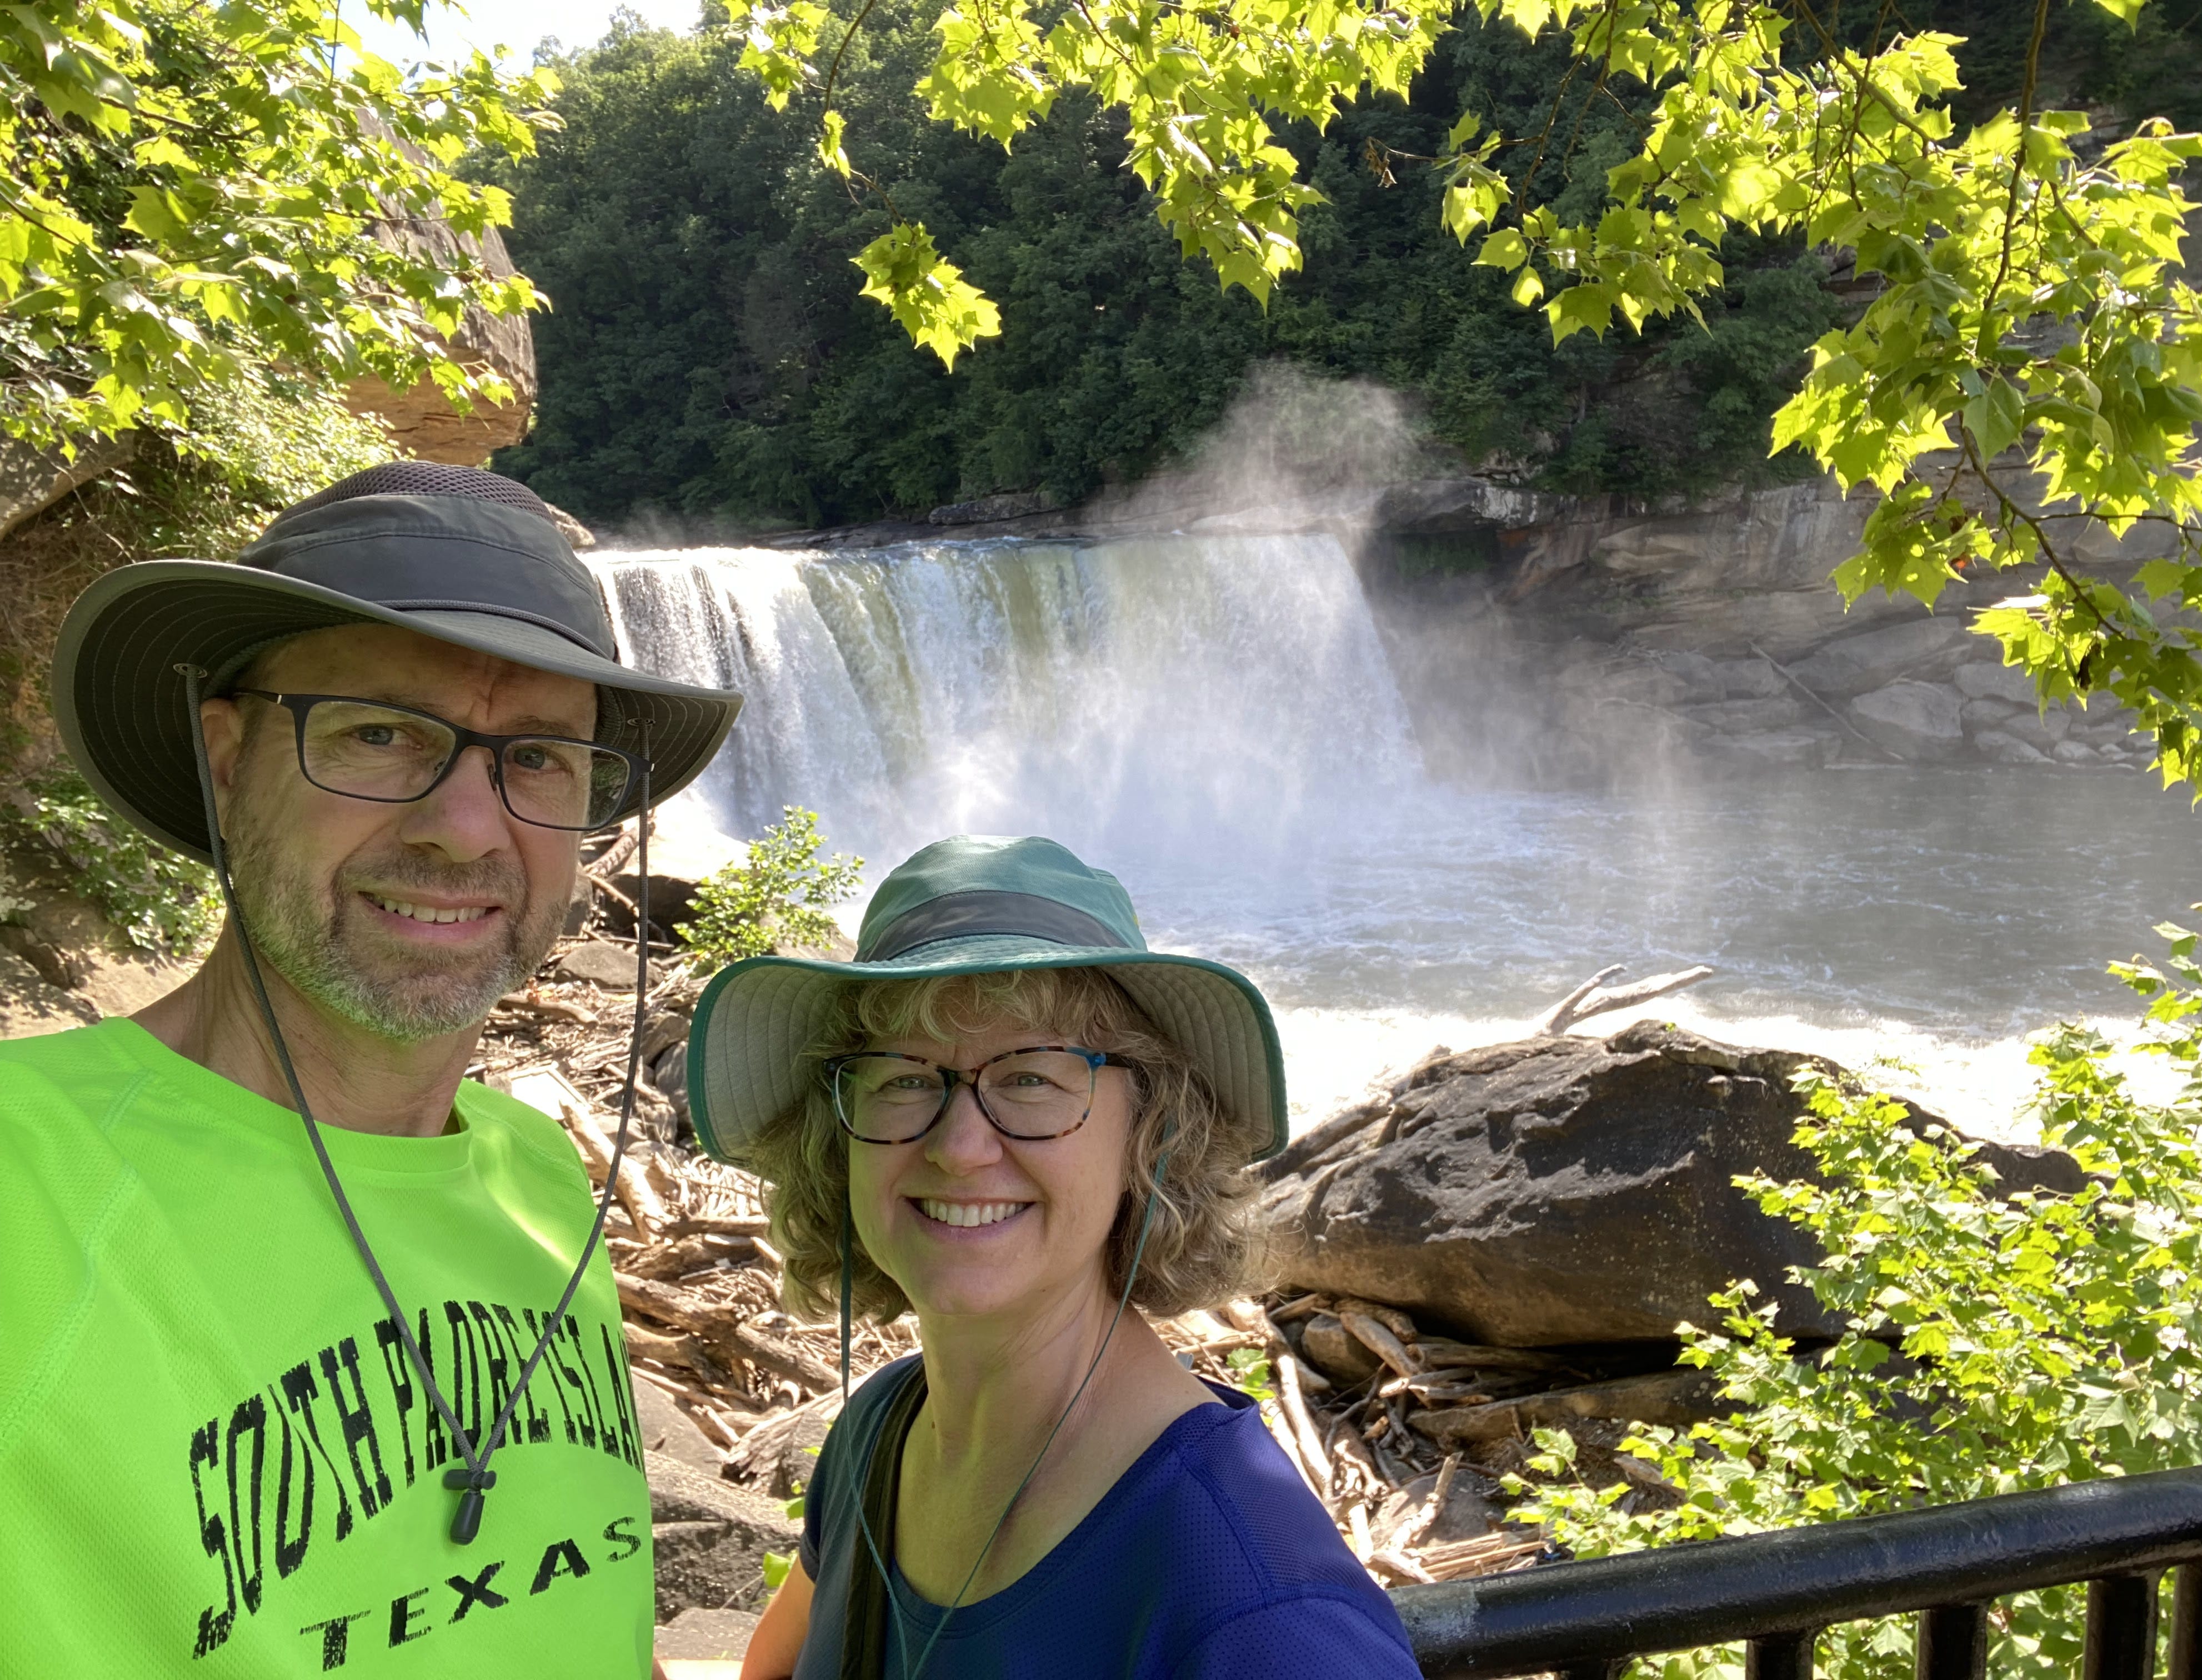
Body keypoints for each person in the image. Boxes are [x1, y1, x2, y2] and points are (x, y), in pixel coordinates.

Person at [0, 463, 742, 1675]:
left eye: (541, 758)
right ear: (226, 761)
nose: (465, 826)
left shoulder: (542, 1180)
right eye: (383, 734)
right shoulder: (22, 1189)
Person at [687, 834, 1424, 1679]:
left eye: (1033, 1078)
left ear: (1154, 1136)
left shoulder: (1261, 1612)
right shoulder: (881, 1434)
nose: (960, 1147)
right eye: (903, 1077)